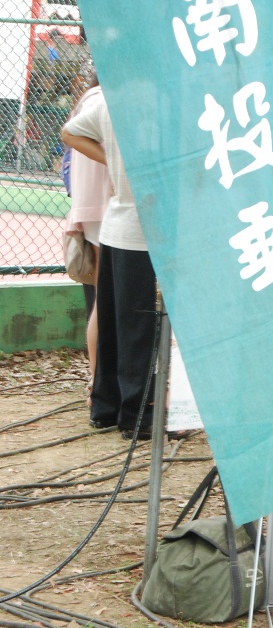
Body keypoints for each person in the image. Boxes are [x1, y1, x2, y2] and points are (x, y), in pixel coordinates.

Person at [61, 90, 157, 440]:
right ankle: (136, 414)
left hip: (117, 220)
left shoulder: (108, 99)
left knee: (115, 319)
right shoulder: (162, 101)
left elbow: (69, 132)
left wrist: (111, 161)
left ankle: (105, 406)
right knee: (138, 326)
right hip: (145, 227)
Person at [63, 74, 112, 405]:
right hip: (103, 209)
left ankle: (98, 382)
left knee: (102, 298)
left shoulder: (90, 99)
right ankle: (97, 383)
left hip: (96, 208)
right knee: (105, 299)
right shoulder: (100, 101)